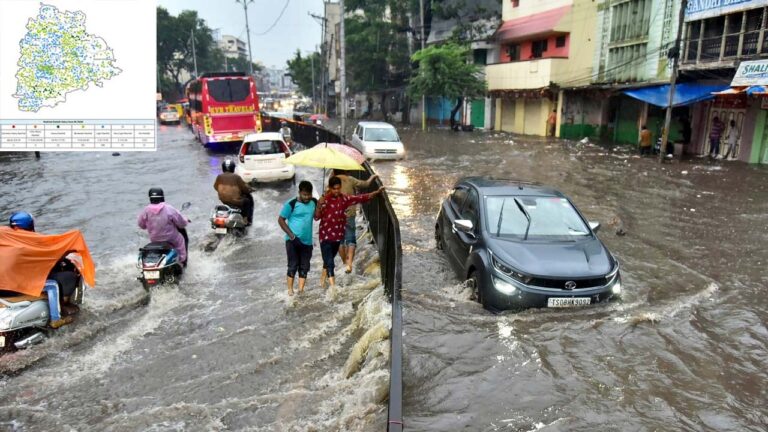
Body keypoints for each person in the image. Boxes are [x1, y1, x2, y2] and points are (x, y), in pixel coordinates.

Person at [314, 176, 384, 291]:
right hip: (325, 235)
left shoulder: (344, 198)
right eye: (334, 189)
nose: (336, 191)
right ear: (330, 188)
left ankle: (323, 279)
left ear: (340, 187)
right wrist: (319, 205)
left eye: (338, 188)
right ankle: (333, 288)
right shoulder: (324, 200)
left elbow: (360, 198)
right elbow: (316, 217)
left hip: (337, 236)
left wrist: (376, 193)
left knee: (329, 258)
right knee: (330, 262)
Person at [331, 169, 379, 274]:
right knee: (351, 240)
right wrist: (372, 177)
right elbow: (365, 184)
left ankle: (344, 262)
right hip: (349, 213)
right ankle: (349, 265)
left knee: (340, 241)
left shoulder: (332, 181)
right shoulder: (350, 179)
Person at [278, 181, 317, 296]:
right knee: (293, 265)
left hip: (307, 241)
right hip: (292, 241)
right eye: (304, 195)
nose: (307, 197)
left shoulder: (313, 202)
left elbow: (317, 217)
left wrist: (321, 204)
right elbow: (281, 220)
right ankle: (290, 291)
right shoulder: (291, 203)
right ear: (299, 192)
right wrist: (292, 236)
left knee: (304, 267)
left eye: (309, 194)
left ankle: (300, 291)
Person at [137, 188, 189, 265]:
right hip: (171, 238)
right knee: (181, 240)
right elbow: (181, 223)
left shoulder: (146, 210)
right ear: (162, 197)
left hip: (155, 239)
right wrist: (186, 220)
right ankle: (182, 261)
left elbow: (141, 225)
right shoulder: (169, 208)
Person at [214, 158, 254, 225]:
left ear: (223, 168)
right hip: (235, 202)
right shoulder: (237, 177)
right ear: (233, 168)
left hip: (224, 201)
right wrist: (250, 189)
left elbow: (215, 187)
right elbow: (244, 188)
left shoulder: (219, 177)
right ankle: (246, 220)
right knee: (247, 201)